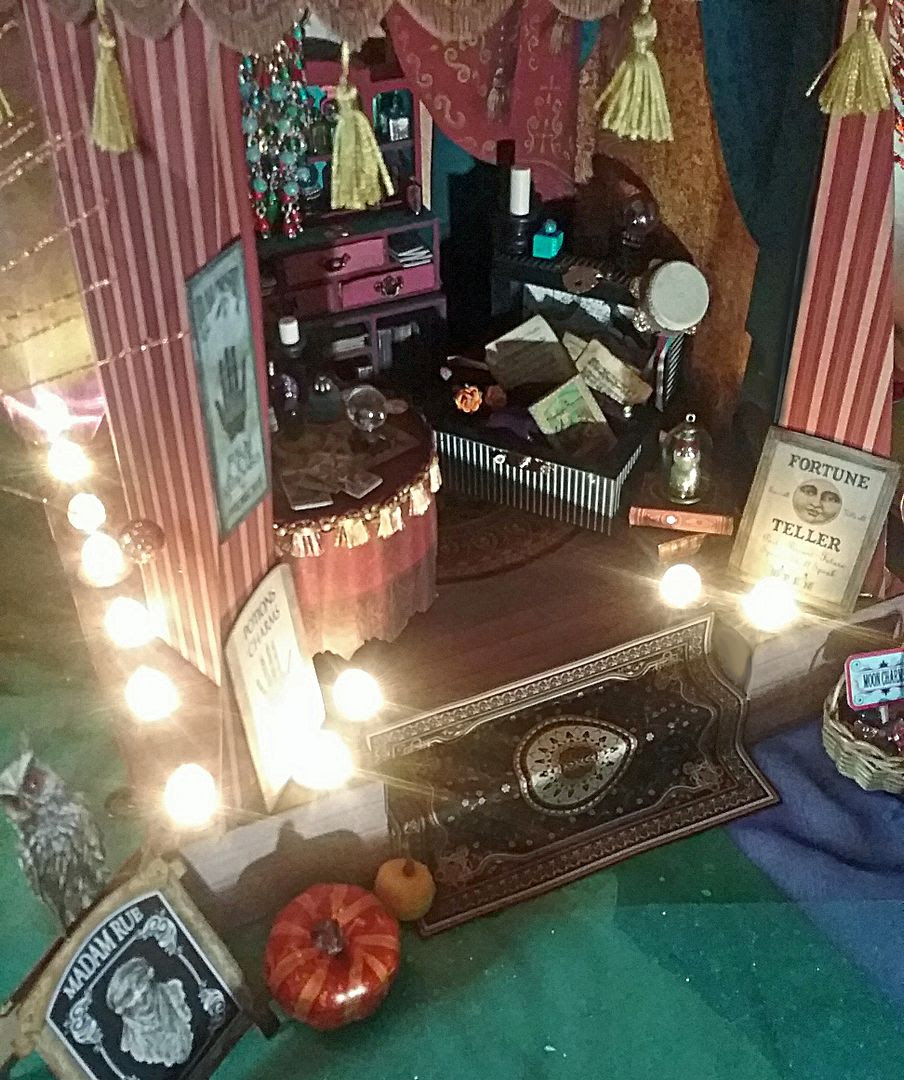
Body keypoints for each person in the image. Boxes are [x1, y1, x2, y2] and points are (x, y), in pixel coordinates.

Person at [106, 955, 194, 1067]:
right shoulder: (132, 1042)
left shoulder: (173, 994)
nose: (140, 998)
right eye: (131, 998)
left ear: (149, 979)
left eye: (141, 987)